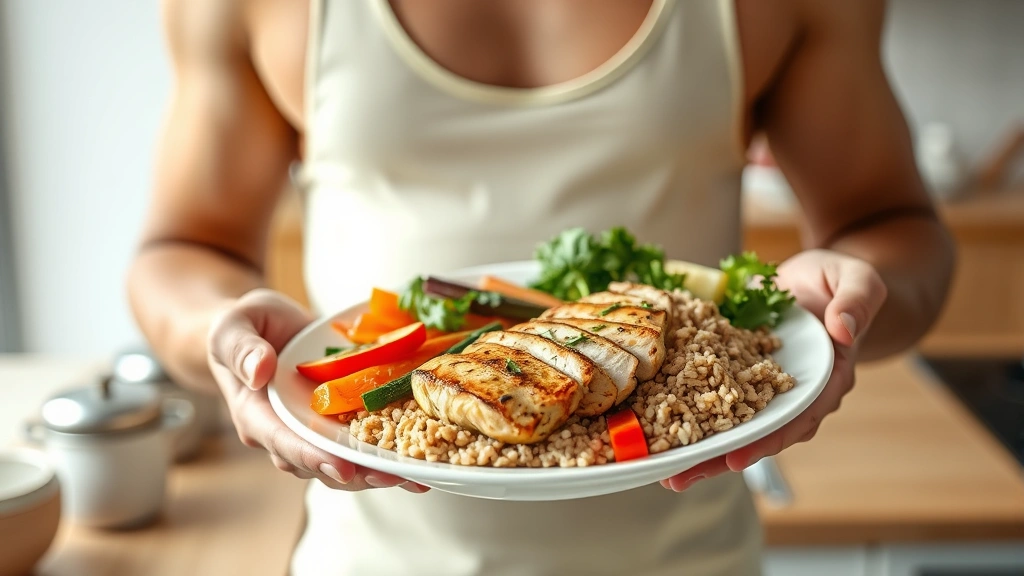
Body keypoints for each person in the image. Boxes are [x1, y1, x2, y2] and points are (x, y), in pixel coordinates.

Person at [127, 0, 955, 574]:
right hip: (374, 562)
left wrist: (844, 307)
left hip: (688, 562)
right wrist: (224, 339)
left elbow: (898, 229)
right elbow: (180, 249)